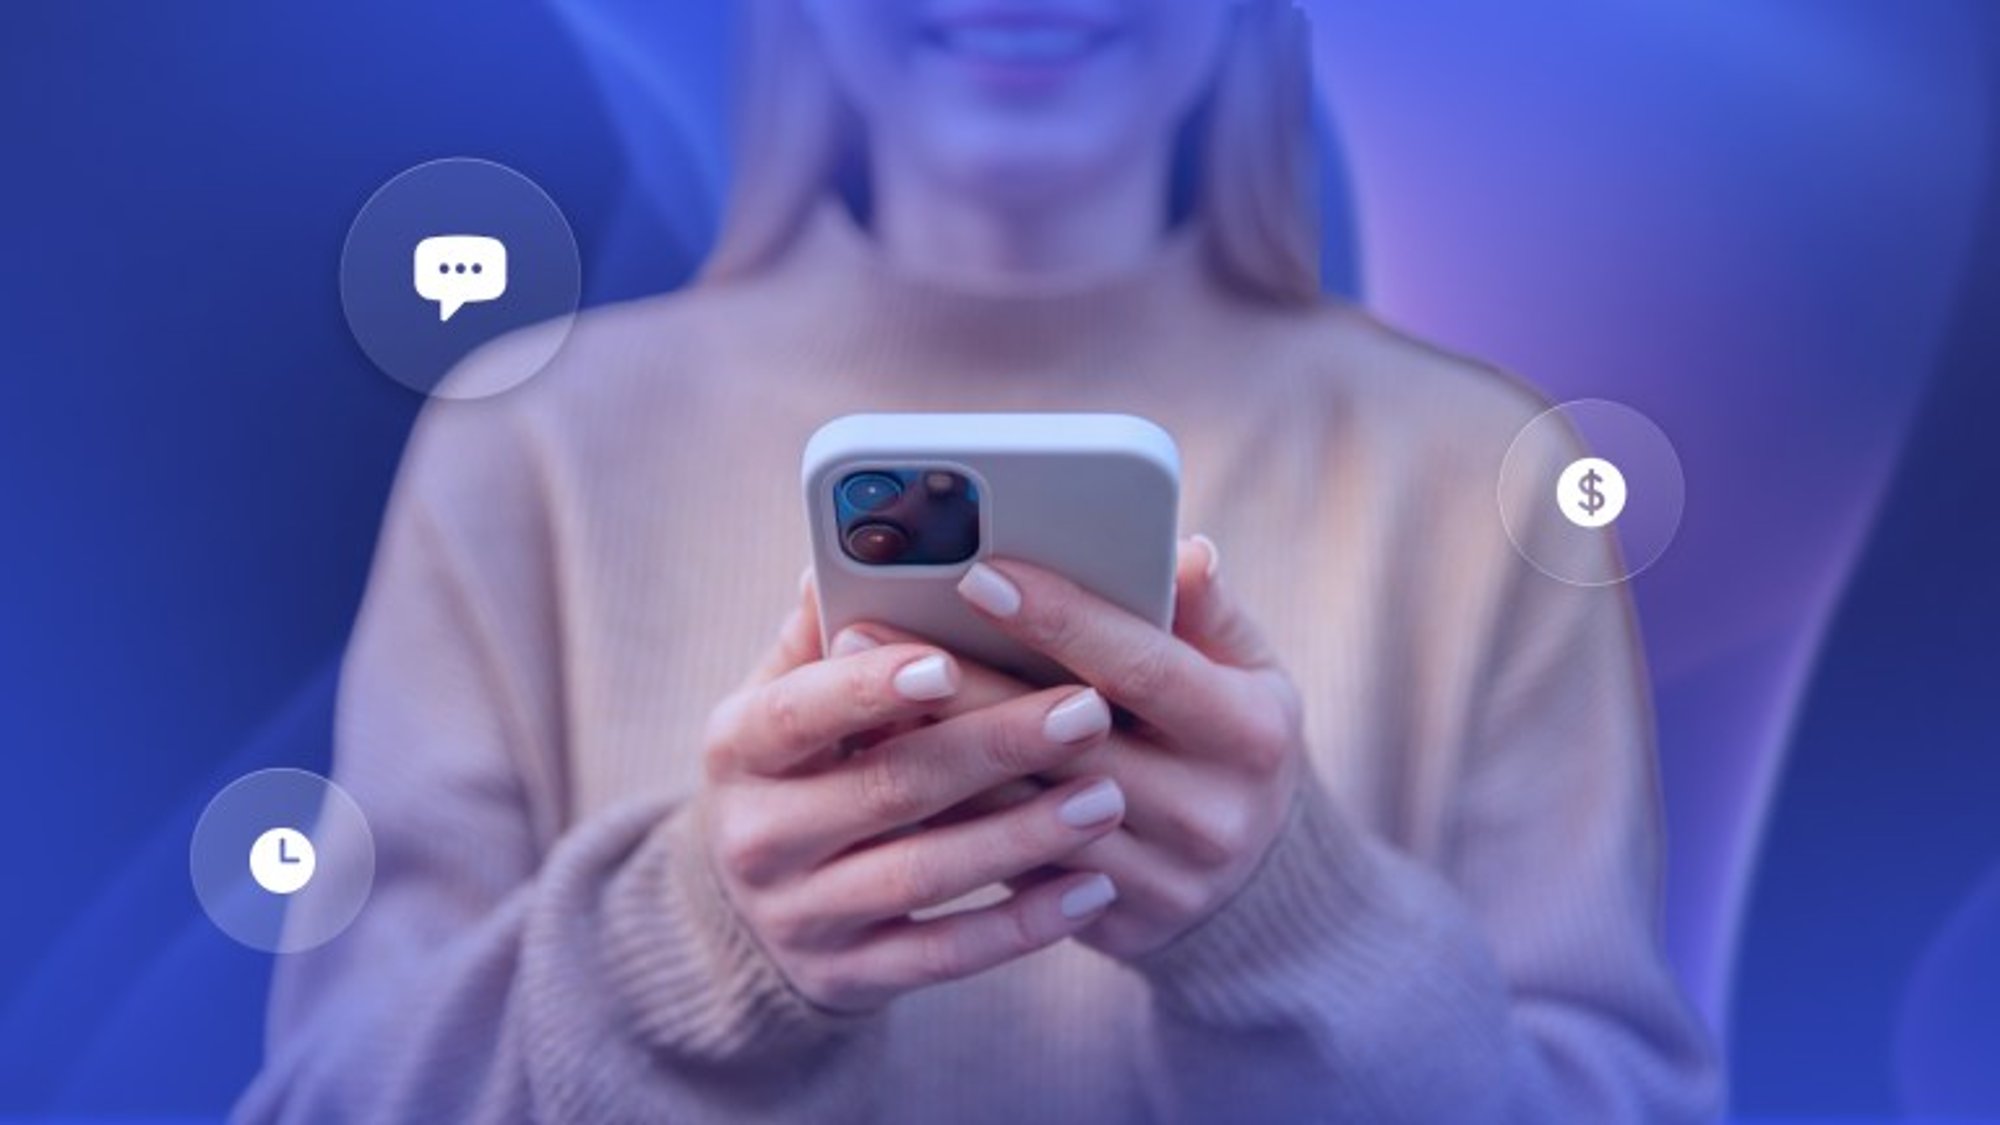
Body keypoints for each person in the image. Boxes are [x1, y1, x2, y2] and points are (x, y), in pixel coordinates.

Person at [241, 1, 1720, 1120]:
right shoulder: (531, 447)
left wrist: (1301, 935)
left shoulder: (1478, 474)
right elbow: (325, 1099)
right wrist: (688, 949)